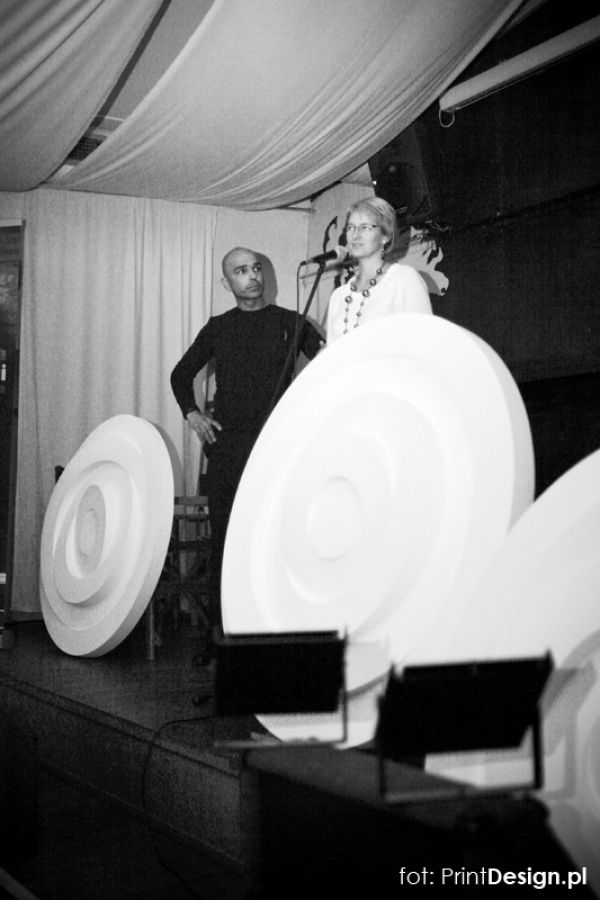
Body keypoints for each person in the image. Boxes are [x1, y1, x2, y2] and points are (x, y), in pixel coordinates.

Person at [170, 247, 323, 658]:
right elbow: (180, 374)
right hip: (229, 448)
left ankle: (273, 633)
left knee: (276, 539)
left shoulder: (291, 323)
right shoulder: (219, 327)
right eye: (241, 271)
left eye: (256, 268)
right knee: (225, 542)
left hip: (276, 446)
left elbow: (330, 363)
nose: (252, 276)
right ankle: (220, 636)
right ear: (227, 283)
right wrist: (193, 414)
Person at [326, 196, 432, 342]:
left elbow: (424, 342)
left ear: (385, 236)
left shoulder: (404, 280)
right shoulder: (338, 296)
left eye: (365, 227)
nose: (355, 235)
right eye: (350, 228)